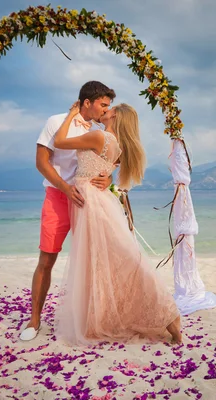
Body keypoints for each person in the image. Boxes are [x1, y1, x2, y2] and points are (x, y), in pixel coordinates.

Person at [52, 101, 182, 345]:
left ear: (115, 117)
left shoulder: (99, 136)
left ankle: (168, 315)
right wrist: (107, 174)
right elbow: (108, 164)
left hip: (89, 201)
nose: (104, 111)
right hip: (96, 199)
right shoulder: (119, 145)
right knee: (110, 261)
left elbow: (58, 142)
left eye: (108, 110)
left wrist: (70, 113)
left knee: (108, 261)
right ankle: (160, 318)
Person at [19, 81, 115, 341]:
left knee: (94, 261)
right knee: (47, 259)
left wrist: (109, 179)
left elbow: (110, 161)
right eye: (103, 104)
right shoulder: (56, 121)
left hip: (90, 200)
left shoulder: (98, 130)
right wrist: (64, 187)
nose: (106, 109)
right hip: (58, 198)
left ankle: (93, 318)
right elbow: (41, 162)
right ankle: (34, 320)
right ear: (87, 102)